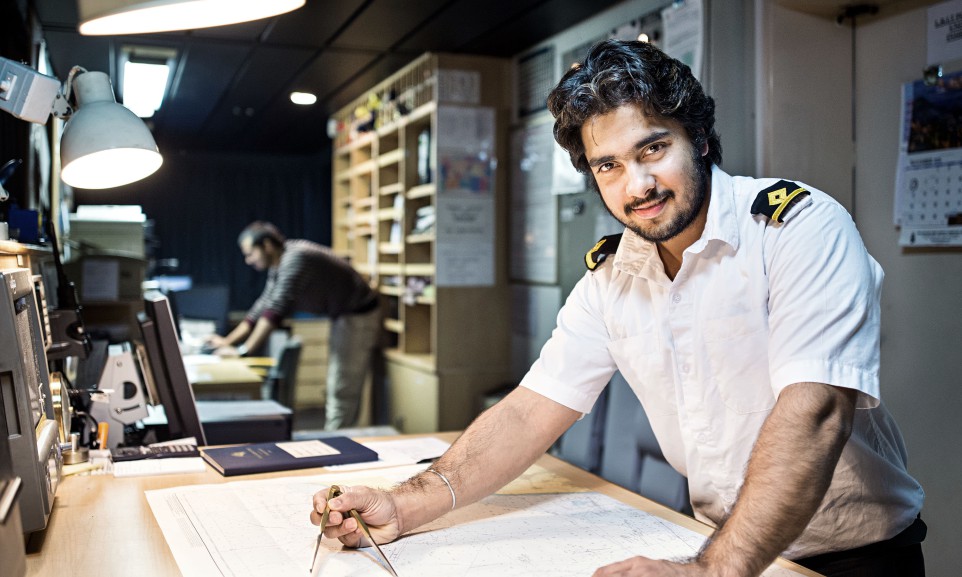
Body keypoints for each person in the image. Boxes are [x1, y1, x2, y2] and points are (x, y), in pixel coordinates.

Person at [309, 40, 925, 576]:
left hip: (848, 559)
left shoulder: (800, 226)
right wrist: (406, 502)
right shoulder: (615, 274)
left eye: (653, 149)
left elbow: (815, 411)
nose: (638, 186)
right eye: (609, 166)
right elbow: (529, 412)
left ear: (701, 139)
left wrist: (715, 569)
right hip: (713, 547)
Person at [209, 221, 380, 430]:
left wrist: (244, 352)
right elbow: (261, 307)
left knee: (342, 387)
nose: (248, 260)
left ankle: (339, 444)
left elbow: (275, 310)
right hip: (343, 316)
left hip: (357, 315)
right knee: (338, 385)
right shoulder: (280, 263)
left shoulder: (295, 258)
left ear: (267, 245)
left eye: (251, 253)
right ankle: (338, 437)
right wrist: (226, 342)